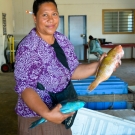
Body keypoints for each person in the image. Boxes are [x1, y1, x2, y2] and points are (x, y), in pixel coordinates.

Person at [14, 0, 118, 135]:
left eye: (54, 14)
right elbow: (25, 87)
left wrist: (101, 65)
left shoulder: (62, 40)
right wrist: (47, 114)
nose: (51, 19)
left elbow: (73, 70)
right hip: (37, 116)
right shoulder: (28, 47)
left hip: (62, 108)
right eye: (44, 15)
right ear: (35, 18)